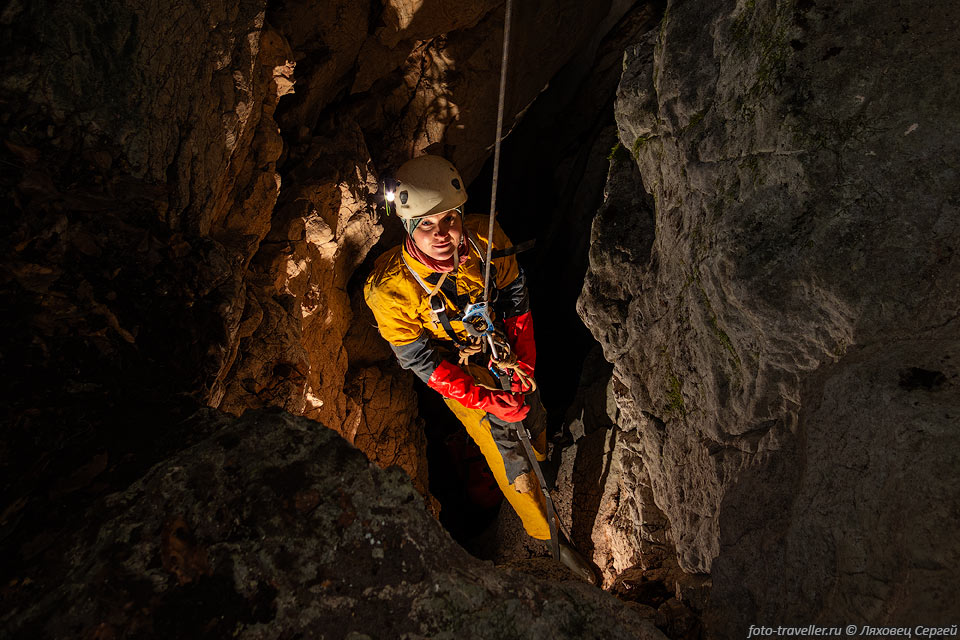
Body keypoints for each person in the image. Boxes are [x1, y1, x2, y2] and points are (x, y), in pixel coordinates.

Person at [363, 154, 594, 583]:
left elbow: (515, 298)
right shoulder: (390, 290)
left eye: (448, 220)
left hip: (499, 345)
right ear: (409, 228)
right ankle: (549, 538)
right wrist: (486, 398)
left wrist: (523, 363)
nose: (442, 235)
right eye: (426, 226)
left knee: (532, 409)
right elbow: (420, 360)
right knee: (506, 448)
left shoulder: (485, 237)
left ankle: (542, 455)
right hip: (458, 370)